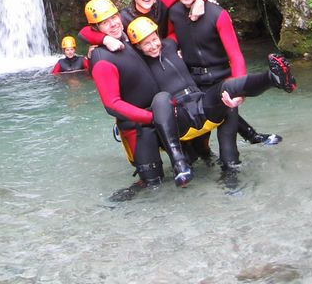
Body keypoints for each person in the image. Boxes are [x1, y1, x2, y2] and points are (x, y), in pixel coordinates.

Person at [126, 15, 296, 184]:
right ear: (138, 47)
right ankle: (179, 163)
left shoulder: (169, 44)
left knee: (225, 87)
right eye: (146, 44)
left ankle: (273, 78)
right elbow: (119, 56)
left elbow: (187, 23)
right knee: (161, 99)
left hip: (200, 105)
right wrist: (105, 41)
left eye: (154, 39)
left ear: (158, 35)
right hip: (179, 116)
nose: (153, 46)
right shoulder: (138, 62)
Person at [166, 0, 282, 170]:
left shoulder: (217, 14)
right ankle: (252, 136)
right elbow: (169, 36)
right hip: (194, 85)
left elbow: (235, 55)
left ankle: (233, 185)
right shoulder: (174, 13)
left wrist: (238, 89)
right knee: (199, 150)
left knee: (228, 151)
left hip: (222, 80)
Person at [82, 0, 192, 187]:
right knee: (153, 185)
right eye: (105, 23)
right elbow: (112, 105)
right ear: (96, 28)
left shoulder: (124, 38)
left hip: (158, 116)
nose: (114, 24)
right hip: (138, 128)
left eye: (114, 17)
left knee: (192, 160)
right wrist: (151, 118)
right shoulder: (101, 60)